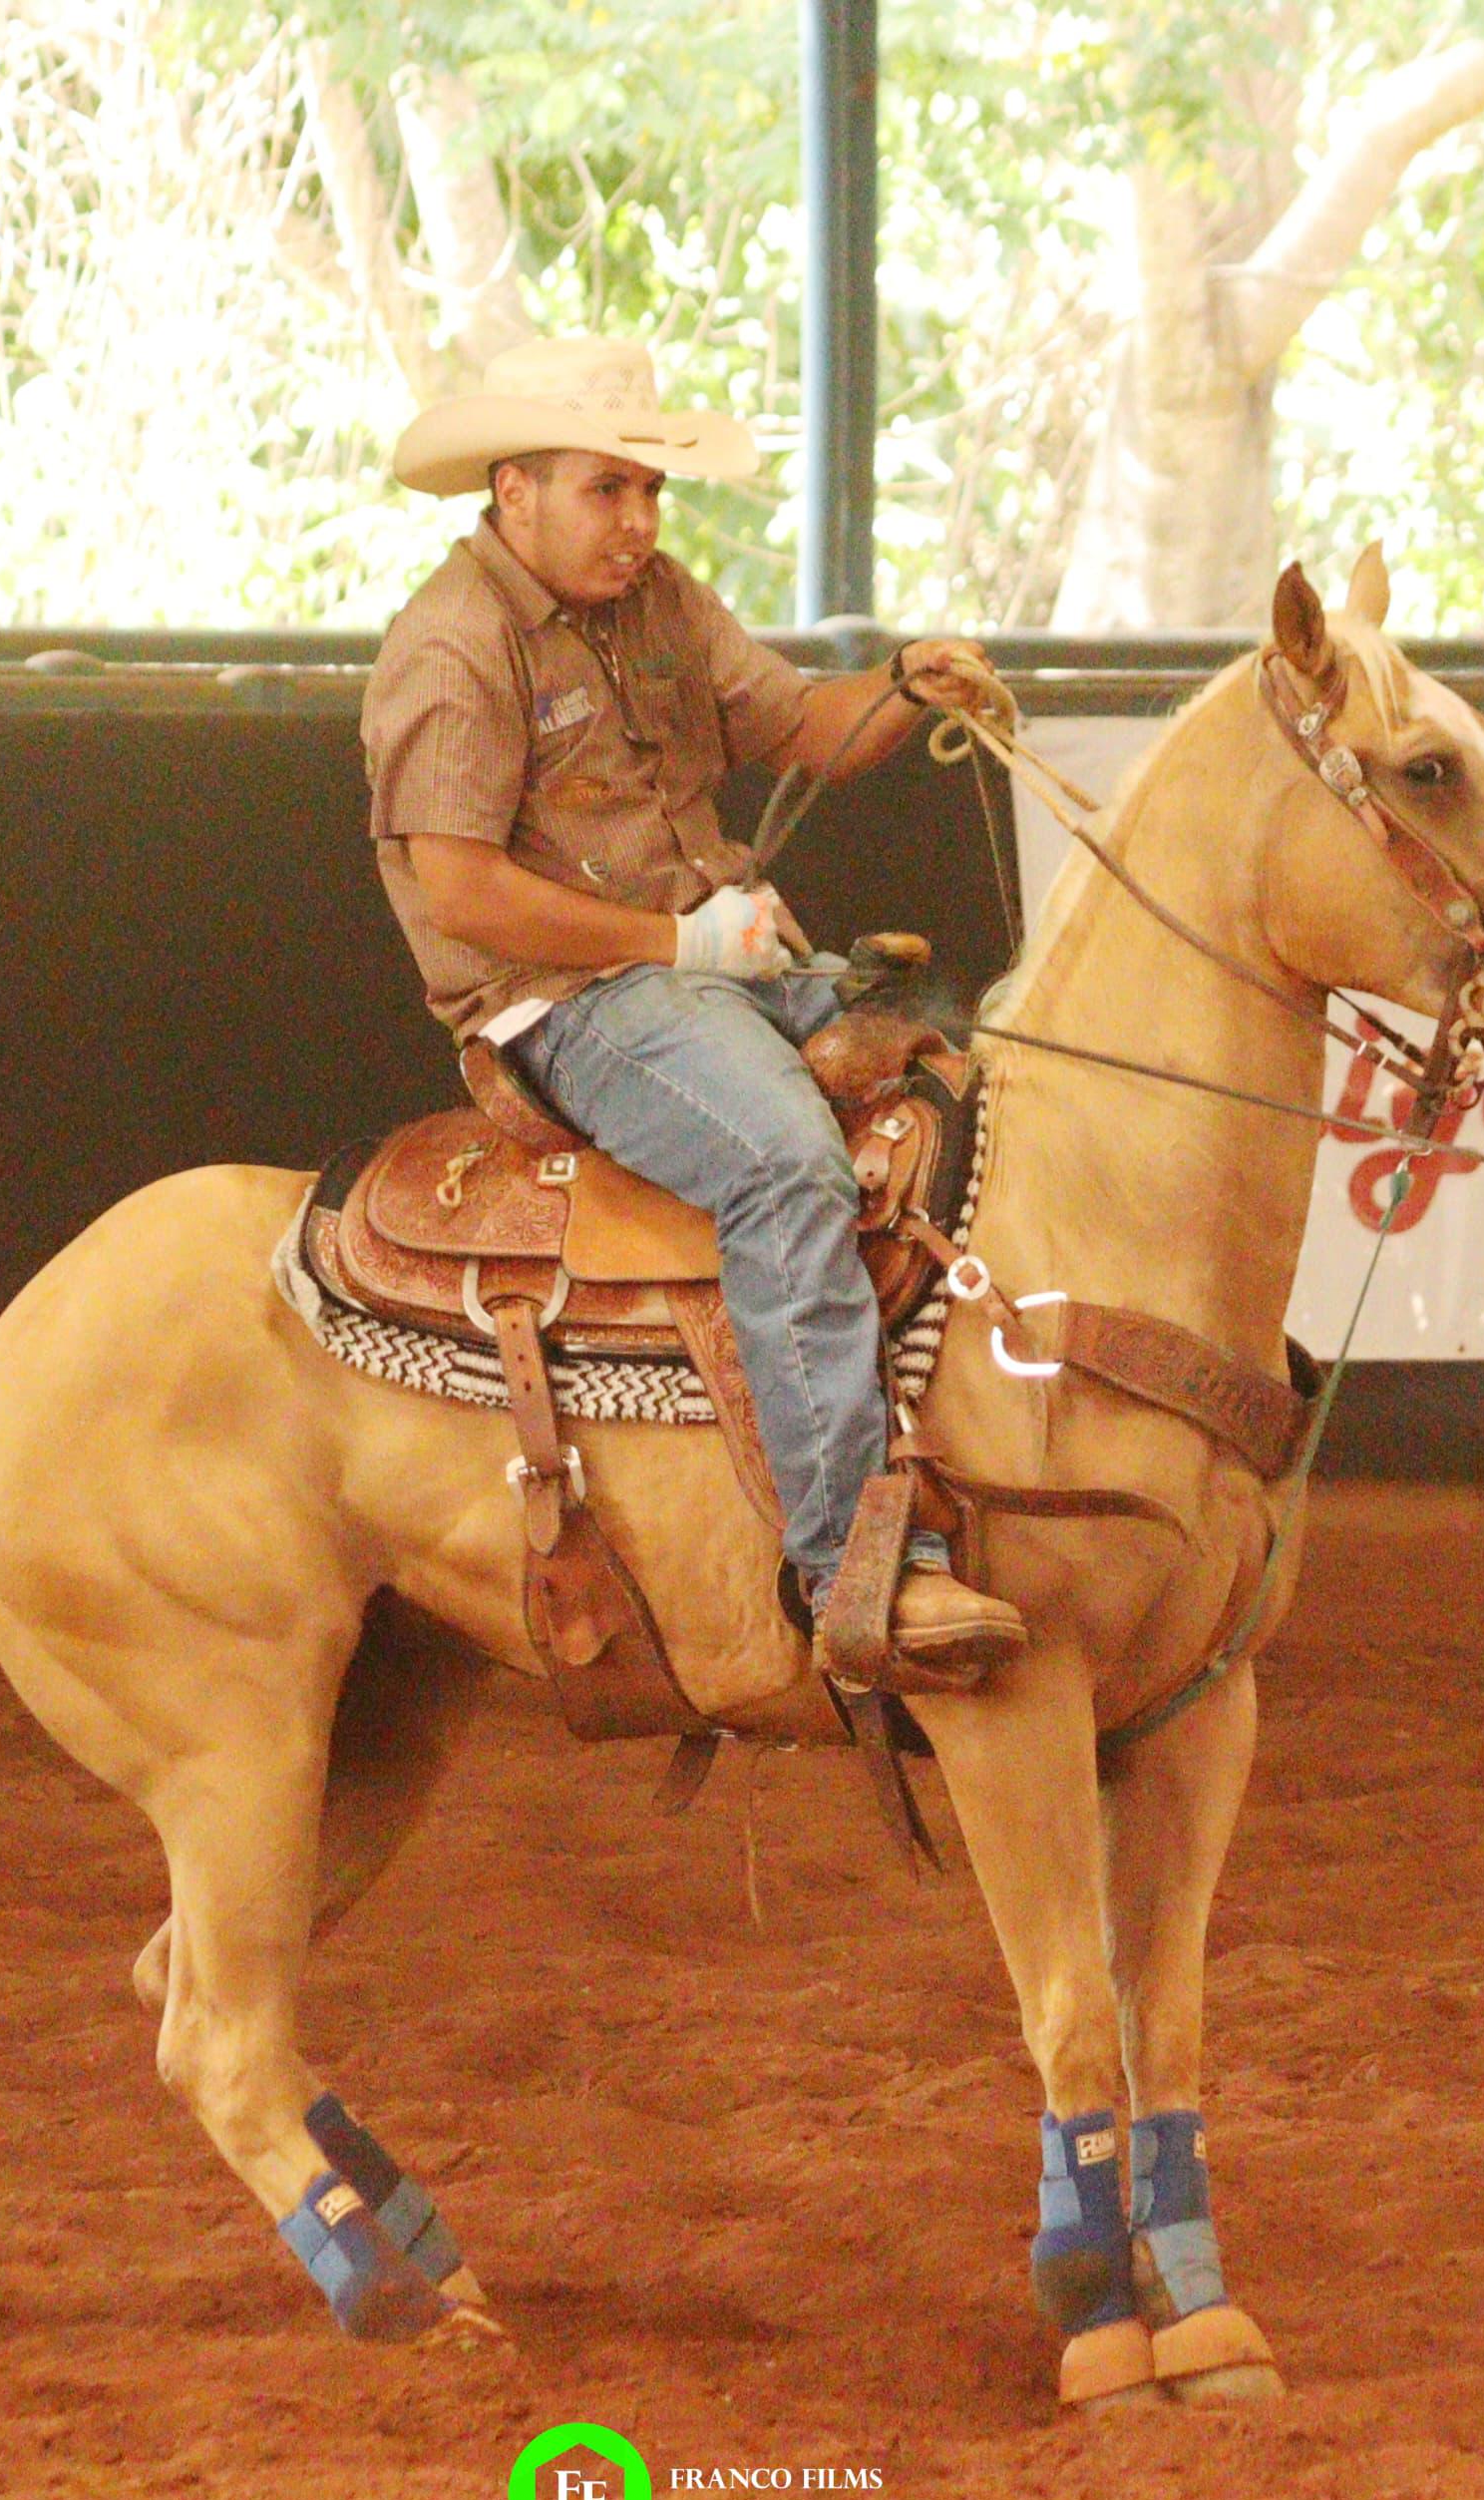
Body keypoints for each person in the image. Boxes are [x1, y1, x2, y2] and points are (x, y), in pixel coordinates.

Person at [360, 336, 1024, 1681]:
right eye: (609, 490)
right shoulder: (453, 644)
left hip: (703, 957)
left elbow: (805, 728)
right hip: (566, 1003)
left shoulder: (656, 602)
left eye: (650, 491)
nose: (641, 522)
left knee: (963, 1062)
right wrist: (678, 939)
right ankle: (853, 1565)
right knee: (785, 1164)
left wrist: (904, 684)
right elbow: (465, 890)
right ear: (514, 489)